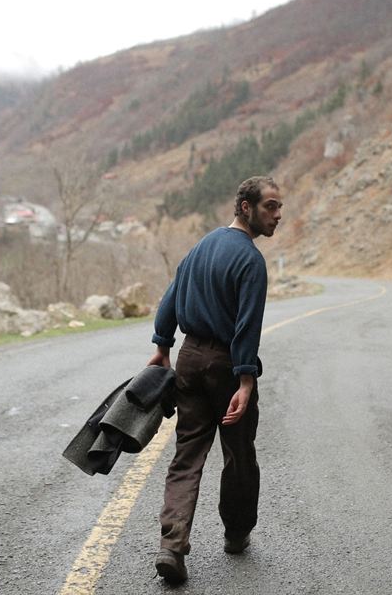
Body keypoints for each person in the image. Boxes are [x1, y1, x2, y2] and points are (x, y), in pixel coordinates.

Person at [148, 175, 283, 585]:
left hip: (189, 358)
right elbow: (247, 327)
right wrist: (245, 380)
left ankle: (172, 545)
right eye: (271, 207)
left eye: (279, 208)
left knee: (187, 453)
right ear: (246, 207)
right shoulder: (250, 261)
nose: (278, 215)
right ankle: (236, 533)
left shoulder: (201, 246)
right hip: (226, 364)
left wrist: (162, 346)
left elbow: (170, 297)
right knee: (239, 452)